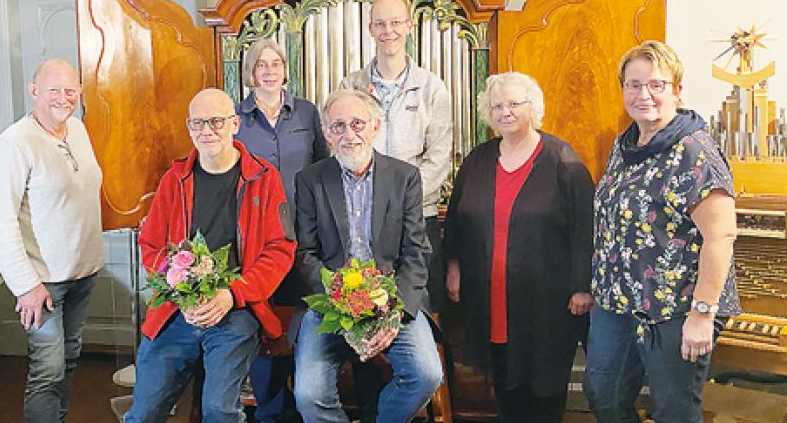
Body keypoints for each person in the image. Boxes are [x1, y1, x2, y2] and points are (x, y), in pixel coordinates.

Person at [584, 41, 740, 423]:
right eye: (634, 85)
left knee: (673, 410)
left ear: (677, 90)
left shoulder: (694, 151)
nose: (644, 95)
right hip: (618, 300)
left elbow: (721, 236)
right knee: (603, 394)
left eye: (656, 85)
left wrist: (702, 314)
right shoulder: (625, 145)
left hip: (677, 306)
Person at [124, 88, 296, 423]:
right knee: (143, 413)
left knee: (219, 410)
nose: (207, 131)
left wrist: (233, 294)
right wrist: (179, 290)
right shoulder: (174, 180)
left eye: (216, 121)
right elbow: (150, 245)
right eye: (198, 123)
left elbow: (280, 250)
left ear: (234, 124)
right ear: (189, 127)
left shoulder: (264, 178)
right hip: (177, 311)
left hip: (237, 310)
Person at [443, 72, 594, 423]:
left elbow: (585, 227)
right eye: (497, 105)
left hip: (546, 302)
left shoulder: (563, 161)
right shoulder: (477, 160)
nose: (505, 111)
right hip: (490, 297)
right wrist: (454, 266)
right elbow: (456, 221)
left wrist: (582, 286)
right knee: (504, 382)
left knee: (543, 388)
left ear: (533, 107)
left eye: (513, 103)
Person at [292, 88, 443, 422]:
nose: (349, 134)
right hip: (330, 301)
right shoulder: (310, 180)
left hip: (393, 301)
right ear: (327, 133)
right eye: (339, 126)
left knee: (426, 375)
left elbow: (416, 251)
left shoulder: (405, 177)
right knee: (308, 395)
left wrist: (393, 310)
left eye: (357, 124)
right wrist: (340, 299)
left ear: (375, 126)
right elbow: (305, 253)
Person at [0, 58, 103, 423]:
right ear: (33, 91)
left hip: (84, 272)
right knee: (48, 371)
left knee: (68, 361)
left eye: (70, 90)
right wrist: (26, 286)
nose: (63, 98)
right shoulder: (14, 143)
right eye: (53, 90)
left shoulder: (77, 129)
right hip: (43, 283)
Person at [235, 38, 328, 422]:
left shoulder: (307, 112)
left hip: (304, 234)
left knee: (301, 319)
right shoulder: (236, 118)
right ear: (251, 72)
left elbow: (323, 168)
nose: (269, 71)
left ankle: (302, 401)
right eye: (262, 65)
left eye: (276, 63)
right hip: (258, 238)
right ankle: (271, 410)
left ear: (285, 69)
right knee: (265, 321)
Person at [341, 0, 452, 312]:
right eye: (380, 24)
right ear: (370, 29)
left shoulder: (432, 88)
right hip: (364, 215)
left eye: (395, 23)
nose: (388, 31)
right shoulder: (350, 86)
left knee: (417, 307)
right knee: (364, 306)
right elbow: (342, 146)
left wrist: (403, 201)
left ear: (409, 26)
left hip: (419, 216)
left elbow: (439, 156)